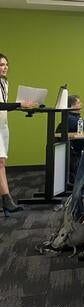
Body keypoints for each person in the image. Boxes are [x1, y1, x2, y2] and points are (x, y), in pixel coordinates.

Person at [0, 53, 36, 215]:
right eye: (1, 65)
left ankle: (5, 199)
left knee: (2, 162)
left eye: (6, 64)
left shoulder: (4, 83)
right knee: (0, 162)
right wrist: (19, 104)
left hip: (3, 125)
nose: (5, 67)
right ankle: (7, 200)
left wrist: (22, 106)